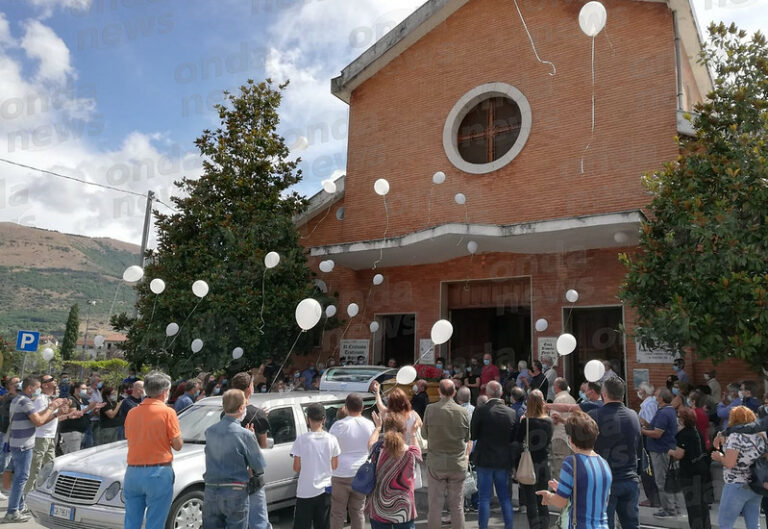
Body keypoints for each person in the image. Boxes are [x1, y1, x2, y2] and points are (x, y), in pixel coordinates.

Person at [3, 376, 67, 523]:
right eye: (38, 387)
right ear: (30, 388)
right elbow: (39, 421)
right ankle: (12, 511)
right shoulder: (25, 401)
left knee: (21, 477)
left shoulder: (19, 400)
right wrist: (52, 407)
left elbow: (39, 419)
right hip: (23, 445)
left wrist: (56, 414)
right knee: (21, 478)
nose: (39, 390)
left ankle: (17, 507)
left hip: (19, 443)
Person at [123, 371, 183, 529]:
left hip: (133, 472)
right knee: (155, 523)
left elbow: (130, 437)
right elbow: (178, 445)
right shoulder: (168, 412)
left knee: (131, 522)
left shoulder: (132, 412)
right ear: (164, 392)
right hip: (158, 472)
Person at [536, 411, 612, 529]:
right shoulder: (604, 464)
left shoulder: (571, 462)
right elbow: (594, 495)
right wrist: (564, 489)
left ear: (570, 440)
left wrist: (549, 496)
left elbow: (560, 502)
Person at [203, 389, 266, 529]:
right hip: (235, 490)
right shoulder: (245, 434)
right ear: (241, 408)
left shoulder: (210, 431)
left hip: (211, 489)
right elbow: (258, 466)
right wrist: (252, 439)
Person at [588, 377, 641, 529]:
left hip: (605, 481)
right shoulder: (634, 416)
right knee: (632, 525)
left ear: (604, 394)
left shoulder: (594, 415)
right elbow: (638, 447)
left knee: (605, 525)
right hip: (630, 478)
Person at [422, 379, 470, 529]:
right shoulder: (463, 412)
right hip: (457, 463)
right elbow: (467, 437)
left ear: (439, 391)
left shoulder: (430, 409)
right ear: (454, 392)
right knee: (457, 506)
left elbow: (424, 434)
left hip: (436, 463)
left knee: (435, 505)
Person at [470, 381, 516, 529]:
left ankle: (483, 527)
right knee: (504, 498)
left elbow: (473, 434)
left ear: (487, 393)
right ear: (501, 393)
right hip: (503, 459)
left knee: (484, 497)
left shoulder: (480, 410)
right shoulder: (511, 412)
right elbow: (514, 438)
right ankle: (509, 526)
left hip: (484, 458)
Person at [711, 406, 766, 529]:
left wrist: (719, 457)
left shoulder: (736, 437)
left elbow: (730, 463)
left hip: (735, 484)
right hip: (755, 485)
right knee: (753, 525)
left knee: (725, 524)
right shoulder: (761, 436)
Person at [228, 372, 270, 529]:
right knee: (258, 521)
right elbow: (263, 445)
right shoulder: (258, 415)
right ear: (250, 389)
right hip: (252, 477)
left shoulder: (224, 414)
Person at [25, 376, 78, 496]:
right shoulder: (40, 399)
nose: (55, 381)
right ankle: (25, 499)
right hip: (40, 438)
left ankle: (43, 495)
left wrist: (68, 415)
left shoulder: (50, 399)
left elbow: (54, 418)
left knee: (51, 469)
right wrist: (55, 413)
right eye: (52, 379)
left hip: (49, 438)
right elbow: (39, 421)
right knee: (35, 470)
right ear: (45, 385)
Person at [367, 413, 422, 529]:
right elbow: (418, 450)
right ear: (405, 429)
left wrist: (377, 427)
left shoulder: (377, 450)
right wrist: (413, 433)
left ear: (385, 430)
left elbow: (370, 443)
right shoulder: (412, 452)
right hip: (404, 507)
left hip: (379, 506)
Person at [290, 403, 340, 529]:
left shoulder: (301, 440)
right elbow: (335, 465)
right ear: (324, 419)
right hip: (325, 489)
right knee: (323, 525)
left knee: (302, 525)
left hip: (305, 491)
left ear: (308, 419)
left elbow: (296, 468)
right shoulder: (332, 439)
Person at [329, 394, 375, 529]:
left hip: (340, 473)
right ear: (362, 407)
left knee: (337, 513)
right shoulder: (369, 424)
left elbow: (330, 448)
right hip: (361, 474)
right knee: (358, 512)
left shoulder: (338, 425)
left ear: (346, 406)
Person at [642, 388, 685, 519]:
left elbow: (657, 433)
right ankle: (675, 507)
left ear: (661, 398)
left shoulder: (663, 413)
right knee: (671, 479)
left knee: (662, 481)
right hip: (667, 448)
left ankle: (668, 509)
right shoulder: (669, 411)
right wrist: (647, 425)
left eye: (656, 395)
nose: (654, 397)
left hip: (660, 451)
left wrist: (642, 431)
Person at [668, 407, 712, 529]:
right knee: (702, 505)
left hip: (690, 474)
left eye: (678, 416)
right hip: (702, 470)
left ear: (682, 420)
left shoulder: (684, 434)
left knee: (693, 507)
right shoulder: (696, 431)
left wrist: (670, 451)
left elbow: (679, 454)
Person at [516, 389, 553, 529]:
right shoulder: (549, 422)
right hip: (544, 464)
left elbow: (518, 442)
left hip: (529, 463)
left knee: (531, 502)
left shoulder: (525, 422)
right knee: (543, 502)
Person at [59, 382, 104, 454]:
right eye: (83, 389)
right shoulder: (71, 399)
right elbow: (74, 415)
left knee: (71, 454)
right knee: (74, 455)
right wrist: (88, 408)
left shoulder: (84, 400)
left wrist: (95, 409)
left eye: (86, 389)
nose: (85, 391)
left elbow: (88, 416)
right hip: (72, 431)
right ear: (76, 389)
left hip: (81, 431)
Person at [636, 382, 660, 508]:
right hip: (647, 439)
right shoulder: (648, 404)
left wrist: (641, 423)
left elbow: (651, 424)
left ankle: (653, 498)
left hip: (648, 440)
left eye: (639, 389)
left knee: (648, 470)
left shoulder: (649, 405)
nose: (638, 392)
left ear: (644, 392)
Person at [550, 377, 576, 478]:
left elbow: (554, 420)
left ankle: (560, 492)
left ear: (557, 387)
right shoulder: (572, 399)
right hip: (571, 438)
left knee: (559, 468)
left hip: (559, 437)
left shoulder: (558, 400)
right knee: (570, 468)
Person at [0, 376, 20, 486]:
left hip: (12, 432)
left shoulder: (14, 397)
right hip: (6, 431)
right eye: (16, 382)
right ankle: (2, 481)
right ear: (9, 386)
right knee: (5, 455)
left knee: (8, 456)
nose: (19, 384)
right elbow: (4, 412)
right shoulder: (9, 398)